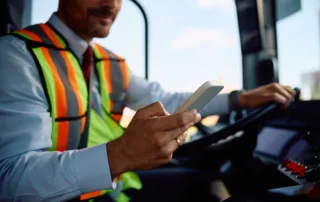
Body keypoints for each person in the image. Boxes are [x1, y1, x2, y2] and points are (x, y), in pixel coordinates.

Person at [0, 0, 295, 201]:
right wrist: (118, 156)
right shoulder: (17, 56)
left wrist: (241, 99)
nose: (111, 3)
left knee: (202, 180)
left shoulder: (108, 63)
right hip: (69, 194)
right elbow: (10, 181)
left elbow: (167, 101)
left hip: (117, 185)